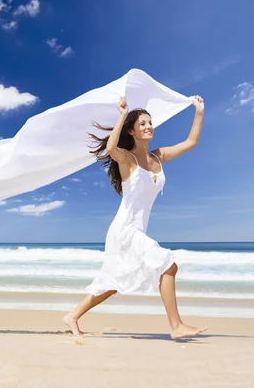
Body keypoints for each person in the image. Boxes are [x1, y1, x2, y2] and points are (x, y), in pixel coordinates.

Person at [63, 94, 207, 339]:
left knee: (114, 283)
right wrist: (121, 116)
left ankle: (72, 316)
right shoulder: (127, 159)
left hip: (136, 230)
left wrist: (199, 112)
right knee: (168, 264)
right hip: (124, 229)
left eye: (150, 122)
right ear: (131, 131)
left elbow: (191, 141)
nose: (149, 126)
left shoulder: (158, 157)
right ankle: (176, 326)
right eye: (142, 123)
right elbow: (110, 148)